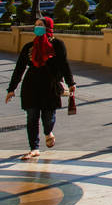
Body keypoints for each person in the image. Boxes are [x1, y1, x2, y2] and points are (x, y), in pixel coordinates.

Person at [6, 16, 76, 160]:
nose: (37, 27)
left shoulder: (57, 45)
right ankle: (34, 148)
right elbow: (19, 68)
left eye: (40, 25)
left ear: (48, 27)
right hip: (31, 86)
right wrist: (11, 89)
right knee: (31, 117)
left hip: (50, 87)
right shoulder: (29, 47)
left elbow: (64, 65)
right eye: (36, 25)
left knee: (48, 117)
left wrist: (71, 83)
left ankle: (48, 132)